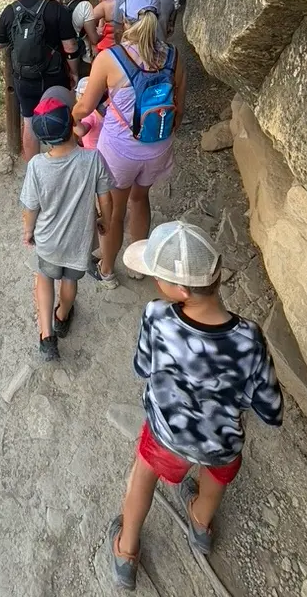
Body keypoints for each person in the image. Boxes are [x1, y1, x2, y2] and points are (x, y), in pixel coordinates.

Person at [107, 222, 284, 588]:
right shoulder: (249, 337)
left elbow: (142, 366)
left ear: (181, 289)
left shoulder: (157, 316)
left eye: (158, 276)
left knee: (141, 479)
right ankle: (200, 527)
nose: (155, 283)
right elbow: (269, 408)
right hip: (220, 442)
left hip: (167, 435)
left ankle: (126, 550)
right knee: (214, 478)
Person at [73, 0, 186, 287]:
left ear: (123, 18)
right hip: (157, 146)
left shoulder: (110, 58)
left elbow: (86, 107)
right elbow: (180, 111)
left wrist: (69, 118)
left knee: (113, 209)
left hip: (120, 150)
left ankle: (107, 271)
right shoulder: (173, 57)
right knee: (141, 198)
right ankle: (139, 265)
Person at [20, 88, 114, 361]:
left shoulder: (37, 166)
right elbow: (106, 199)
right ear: (72, 125)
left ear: (43, 138)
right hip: (80, 240)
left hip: (48, 241)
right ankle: (62, 316)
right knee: (70, 282)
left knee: (44, 278)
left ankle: (47, 337)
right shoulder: (92, 158)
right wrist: (103, 221)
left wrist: (28, 232)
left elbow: (30, 207)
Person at [0, 0, 80, 162]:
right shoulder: (56, 9)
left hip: (25, 79)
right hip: (54, 76)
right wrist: (74, 72)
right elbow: (70, 47)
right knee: (64, 115)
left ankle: (33, 167)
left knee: (30, 122)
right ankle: (67, 161)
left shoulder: (9, 12)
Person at [57, 0, 99, 77]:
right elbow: (94, 38)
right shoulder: (84, 6)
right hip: (80, 56)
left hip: (59, 55)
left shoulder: (56, 2)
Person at [73, 77, 105, 150]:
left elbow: (81, 131)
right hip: (103, 148)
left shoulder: (90, 114)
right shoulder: (102, 110)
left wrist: (73, 118)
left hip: (92, 150)